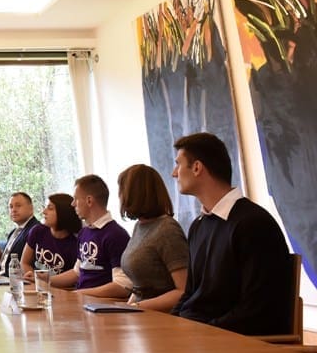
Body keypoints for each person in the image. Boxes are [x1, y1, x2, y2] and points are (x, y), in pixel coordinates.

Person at [171, 132, 294, 334]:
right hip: (200, 336)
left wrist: (200, 333)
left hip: (232, 342)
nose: (174, 173)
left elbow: (258, 310)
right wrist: (171, 327)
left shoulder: (253, 224)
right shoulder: (198, 226)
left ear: (197, 167)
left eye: (178, 164)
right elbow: (190, 294)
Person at [80, 164, 188, 311]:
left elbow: (183, 291)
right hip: (140, 311)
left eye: (122, 191)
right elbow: (139, 289)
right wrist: (126, 308)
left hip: (162, 316)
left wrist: (136, 307)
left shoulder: (167, 230)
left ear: (135, 194)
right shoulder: (140, 226)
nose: (120, 197)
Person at [52, 174, 131, 291]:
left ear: (89, 201)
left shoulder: (116, 235)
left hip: (100, 301)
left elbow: (123, 285)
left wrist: (81, 294)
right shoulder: (84, 232)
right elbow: (76, 273)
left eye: (76, 199)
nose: (72, 204)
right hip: (83, 297)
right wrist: (43, 279)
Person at [20, 193, 82, 278]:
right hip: (35, 282)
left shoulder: (76, 242)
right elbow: (24, 262)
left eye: (50, 208)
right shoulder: (38, 231)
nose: (44, 212)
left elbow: (74, 276)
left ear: (63, 213)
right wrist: (34, 279)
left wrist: (44, 282)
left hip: (59, 285)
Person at [0, 192, 40, 275]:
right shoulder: (13, 232)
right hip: (0, 278)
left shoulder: (36, 230)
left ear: (31, 208)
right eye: (11, 207)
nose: (13, 210)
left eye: (18, 206)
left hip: (19, 280)